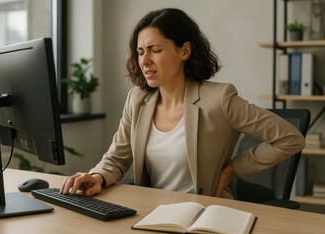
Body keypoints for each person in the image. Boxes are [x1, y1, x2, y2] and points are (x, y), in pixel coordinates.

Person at [60, 8, 305, 198]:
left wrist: (235, 167)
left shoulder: (219, 99)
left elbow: (290, 138)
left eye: (154, 49)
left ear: (184, 51)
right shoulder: (138, 99)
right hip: (151, 214)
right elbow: (117, 158)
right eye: (140, 51)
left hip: (205, 215)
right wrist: (96, 177)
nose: (144, 60)